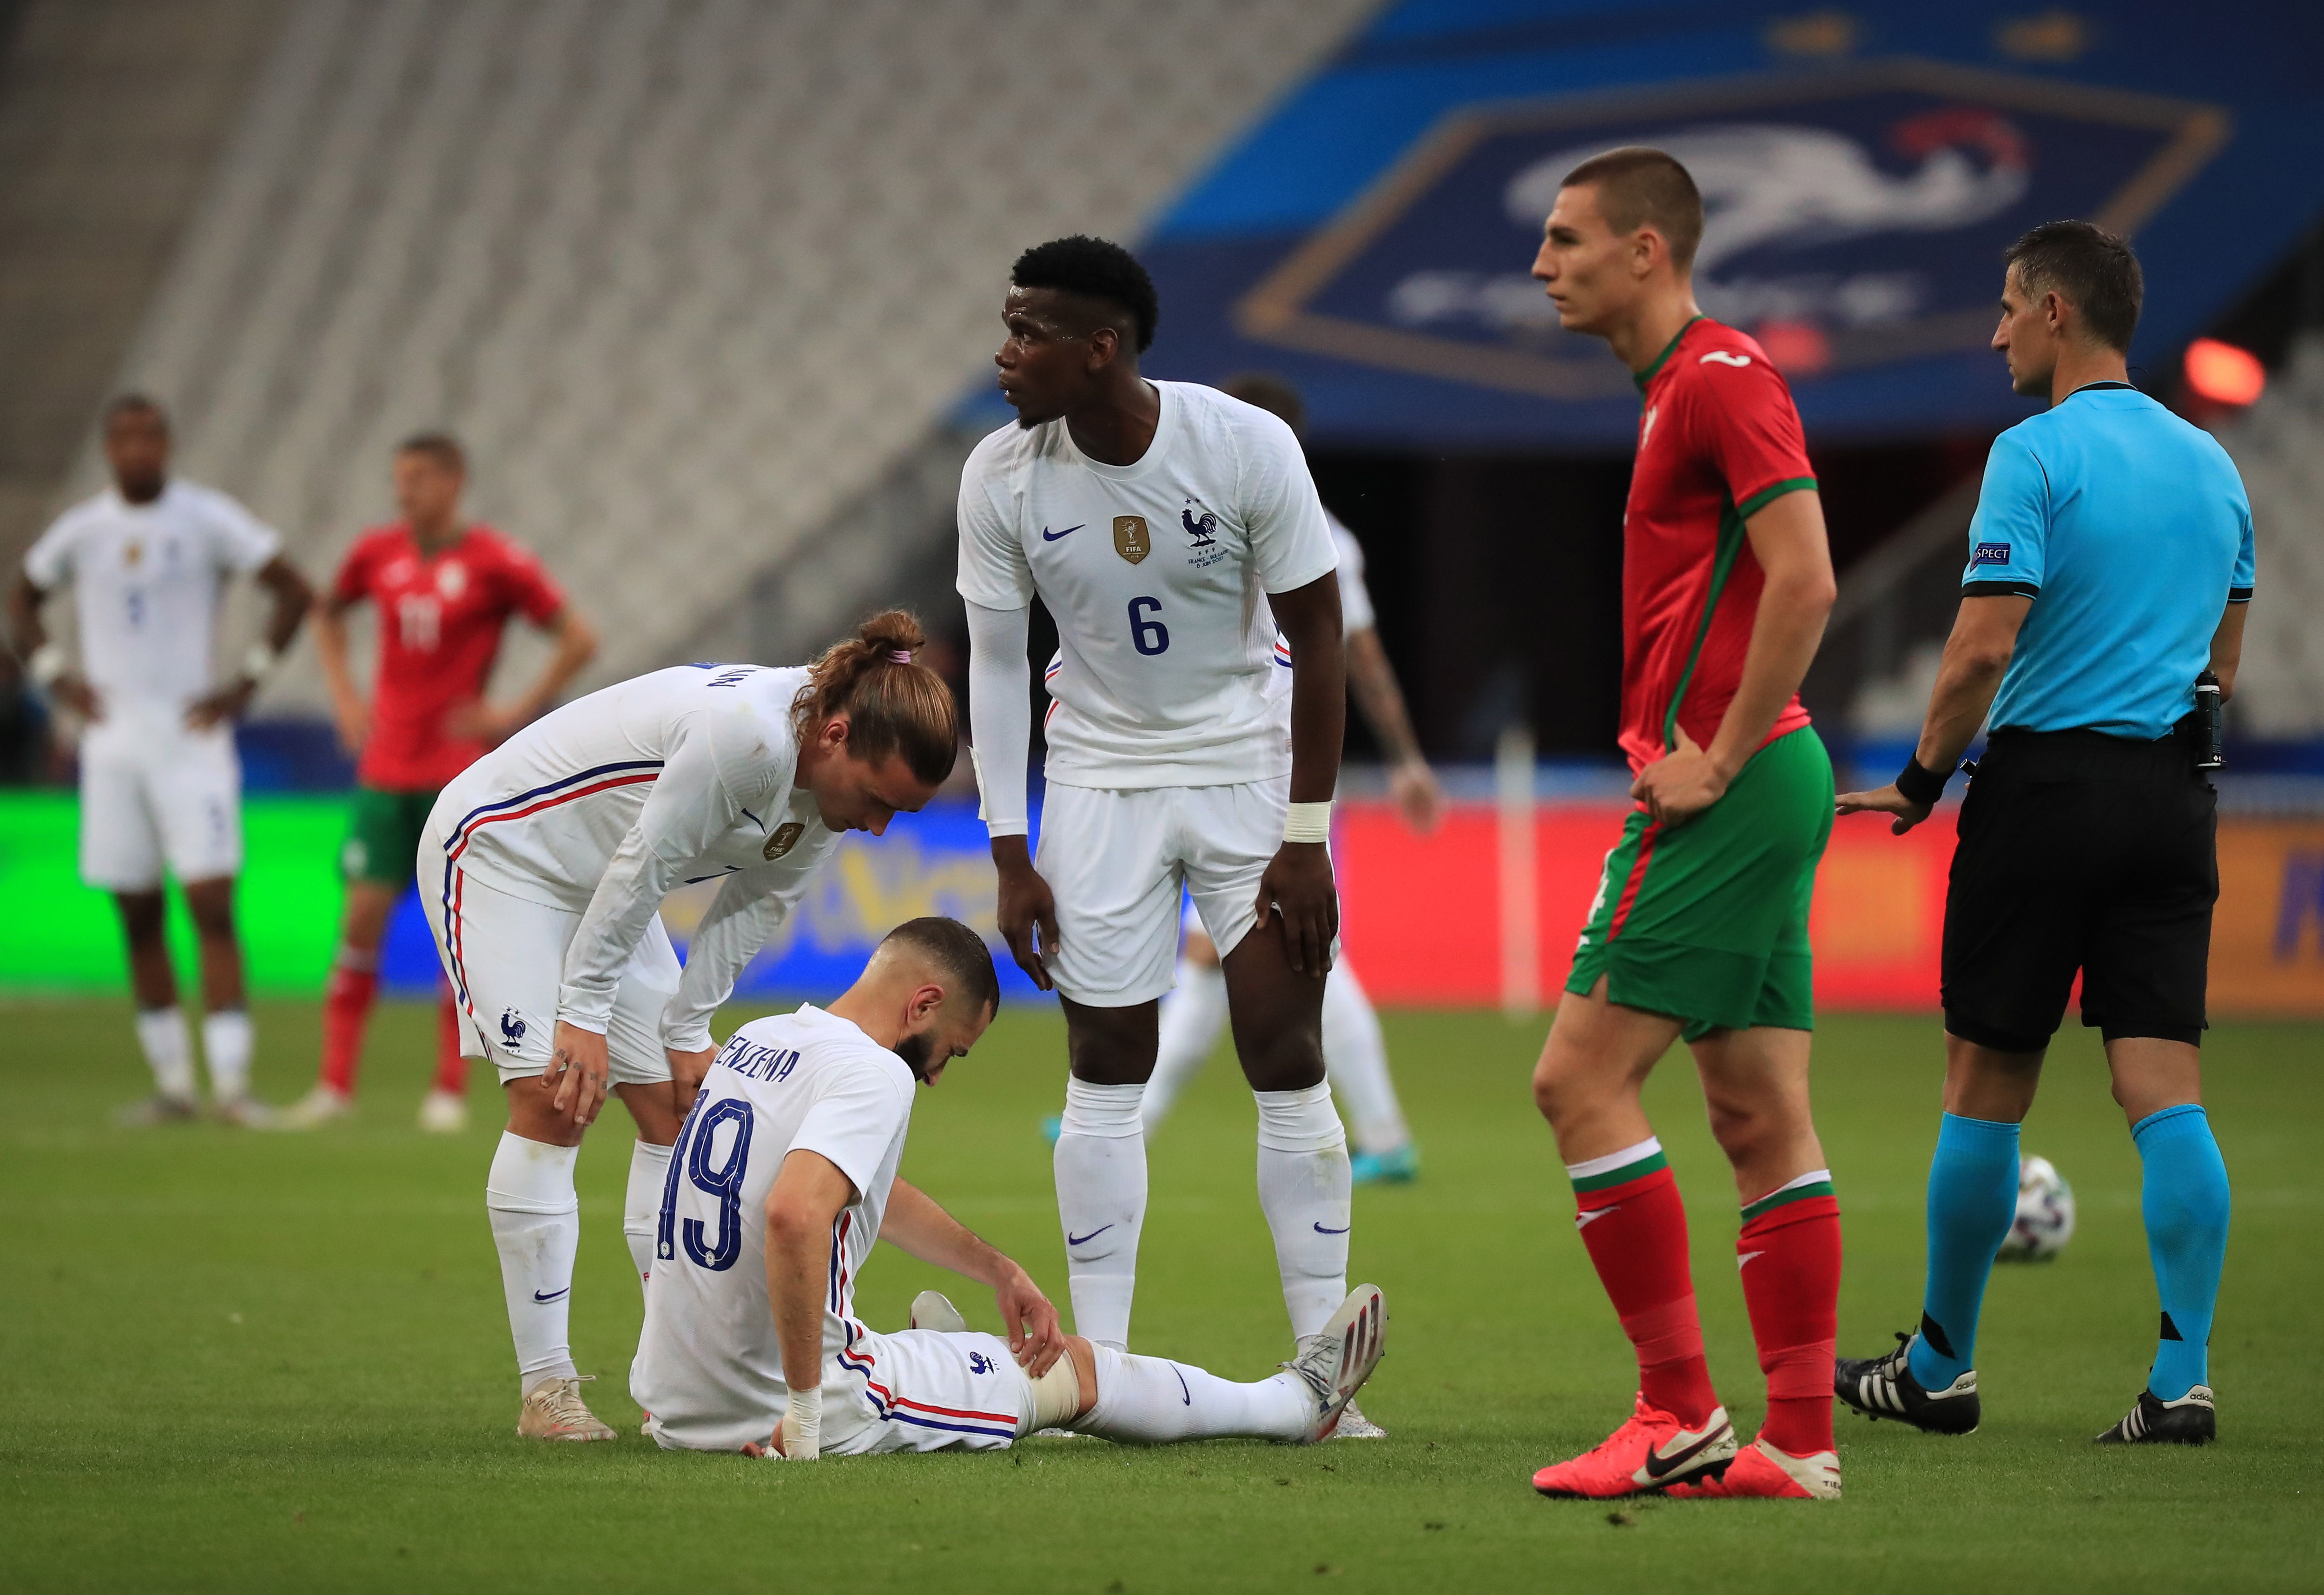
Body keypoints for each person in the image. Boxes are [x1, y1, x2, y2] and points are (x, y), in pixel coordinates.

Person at [1833, 222, 2249, 1448]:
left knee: (1986, 1083)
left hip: (2046, 791)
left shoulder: (2033, 454)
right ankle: (2181, 1381)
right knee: (2165, 1090)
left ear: (2057, 312)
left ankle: (1940, 1368)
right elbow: (2221, 667)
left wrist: (1920, 779)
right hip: (2172, 797)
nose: (1996, 332)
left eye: (2009, 307)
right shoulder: (2214, 465)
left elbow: (1981, 646)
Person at [957, 238, 1363, 1418]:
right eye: (1007, 327)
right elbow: (997, 665)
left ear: (1102, 349)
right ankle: (1102, 1370)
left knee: (1284, 1053)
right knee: (1104, 1065)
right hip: (1097, 779)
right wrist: (1008, 848)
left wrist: (1306, 834)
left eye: (1028, 333)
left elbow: (1320, 637)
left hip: (1245, 765)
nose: (1003, 354)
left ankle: (1325, 1372)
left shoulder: (1244, 445)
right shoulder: (1000, 474)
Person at [424, 611, 958, 1443]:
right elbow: (649, 867)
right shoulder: (744, 738)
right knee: (553, 1100)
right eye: (879, 799)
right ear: (836, 736)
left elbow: (757, 904)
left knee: (680, 1112)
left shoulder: (826, 787)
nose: (879, 825)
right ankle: (547, 1391)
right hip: (505, 852)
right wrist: (583, 1013)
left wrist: (689, 1032)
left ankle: (679, 1387)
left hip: (605, 883)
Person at [1521, 149, 1844, 1502]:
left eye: (1567, 239)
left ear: (1646, 250)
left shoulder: (1719, 379)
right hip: (1766, 773)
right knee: (1759, 1114)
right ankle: (1799, 1444)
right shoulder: (1676, 392)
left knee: (1576, 1083)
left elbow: (1806, 579)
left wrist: (1715, 755)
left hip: (1731, 778)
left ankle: (1677, 1414)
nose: (1543, 264)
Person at [633, 914, 1388, 1457]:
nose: (935, 1075)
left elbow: (849, 1190)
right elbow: (796, 1214)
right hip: (803, 1404)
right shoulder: (872, 1072)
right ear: (923, 1005)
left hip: (677, 1408)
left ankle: (952, 1362)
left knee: (966, 1354)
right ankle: (1295, 1405)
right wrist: (804, 1413)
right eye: (951, 1051)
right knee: (1075, 1371)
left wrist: (996, 1269)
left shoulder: (759, 1039)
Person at [1136, 372, 1437, 1185]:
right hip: (1214, 762)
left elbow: (1355, 656)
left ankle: (1379, 1135)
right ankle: (1130, 1115)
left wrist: (1405, 759)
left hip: (1273, 769)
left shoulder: (1320, 538)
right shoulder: (1196, 520)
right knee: (1235, 953)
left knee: (1285, 948)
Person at [277, 433, 597, 1133]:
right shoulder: (375, 553)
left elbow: (579, 638)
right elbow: (325, 613)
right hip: (385, 771)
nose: (404, 491)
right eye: (400, 478)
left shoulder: (496, 561)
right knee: (359, 924)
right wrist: (347, 699)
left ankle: (447, 1090)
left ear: (454, 482)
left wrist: (511, 712)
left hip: (458, 779)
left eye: (418, 477)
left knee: (458, 937)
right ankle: (334, 1087)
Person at [10, 395, 313, 1125]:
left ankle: (233, 1087)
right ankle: (174, 1085)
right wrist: (56, 677)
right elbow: (21, 600)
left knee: (211, 903)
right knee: (138, 911)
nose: (137, 448)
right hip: (113, 745)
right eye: (124, 437)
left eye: (149, 436)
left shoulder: (206, 518)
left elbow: (294, 591)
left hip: (190, 740)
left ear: (167, 444)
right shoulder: (83, 530)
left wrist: (245, 683)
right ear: (108, 447)